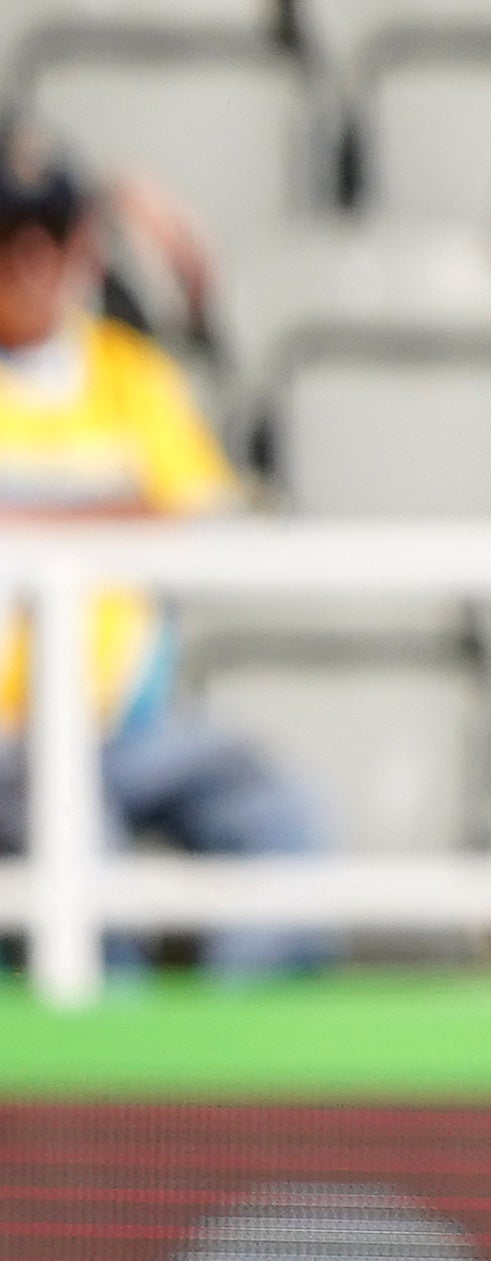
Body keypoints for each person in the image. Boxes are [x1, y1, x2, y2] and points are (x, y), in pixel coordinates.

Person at [0, 127, 334, 975]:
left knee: (277, 814)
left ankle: (251, 1073)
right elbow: (156, 509)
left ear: (83, 245)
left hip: (132, 728)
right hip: (12, 737)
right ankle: (111, 1088)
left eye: (50, 231)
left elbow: (203, 519)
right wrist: (117, 512)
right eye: (9, 233)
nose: (28, 259)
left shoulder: (133, 375)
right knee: (75, 842)